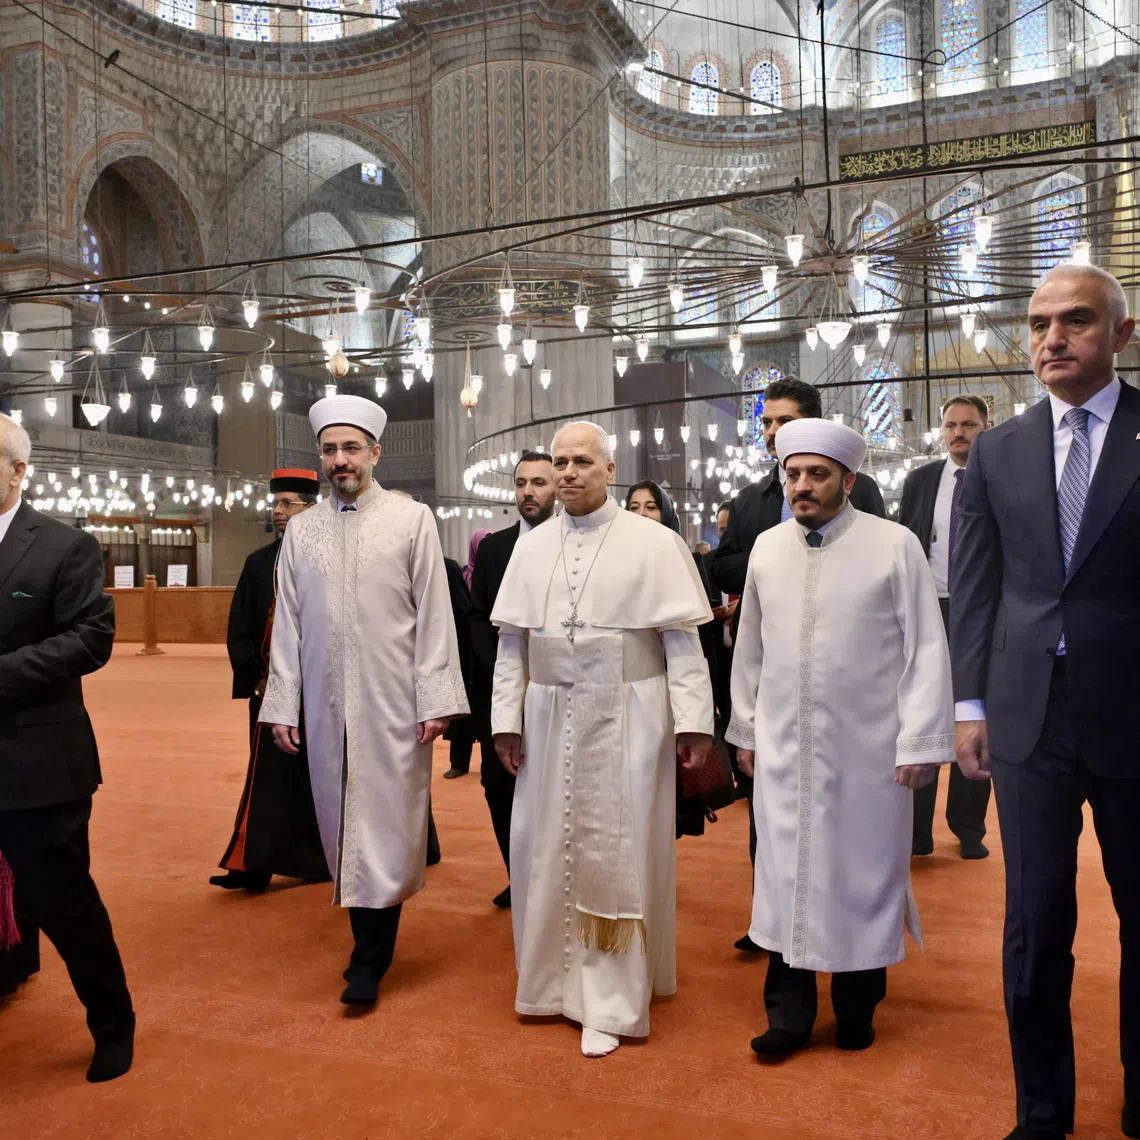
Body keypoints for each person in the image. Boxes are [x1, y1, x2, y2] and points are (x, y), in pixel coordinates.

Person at [951, 264, 1140, 1140]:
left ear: (1122, 334)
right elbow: (974, 588)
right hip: (1028, 714)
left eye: (1076, 320)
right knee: (1034, 920)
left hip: (1135, 710)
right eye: (1037, 324)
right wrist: (970, 706)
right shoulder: (996, 451)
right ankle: (1040, 1112)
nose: (1052, 338)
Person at [727, 417, 953, 1060]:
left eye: (817, 474)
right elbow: (749, 649)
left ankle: (857, 1009)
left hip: (869, 751)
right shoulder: (767, 547)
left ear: (848, 481)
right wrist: (745, 729)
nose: (802, 485)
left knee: (862, 874)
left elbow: (926, 648)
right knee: (784, 875)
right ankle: (788, 1015)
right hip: (784, 746)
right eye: (793, 473)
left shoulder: (894, 545)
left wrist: (920, 741)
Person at [491, 422, 716, 1058]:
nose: (568, 473)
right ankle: (548, 985)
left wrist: (693, 722)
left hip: (629, 716)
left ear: (609, 469)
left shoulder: (655, 542)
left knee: (621, 850)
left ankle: (611, 1001)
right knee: (541, 848)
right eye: (559, 462)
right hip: (548, 718)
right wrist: (506, 721)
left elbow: (683, 644)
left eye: (582, 462)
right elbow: (512, 645)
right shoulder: (531, 547)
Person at [260, 395, 469, 1007]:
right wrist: (283, 703)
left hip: (392, 702)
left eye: (351, 448)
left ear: (375, 453)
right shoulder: (303, 531)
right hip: (325, 706)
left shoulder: (411, 519)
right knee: (341, 819)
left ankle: (370, 955)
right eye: (330, 450)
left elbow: (435, 614)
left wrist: (435, 698)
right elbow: (288, 624)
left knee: (386, 823)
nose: (340, 460)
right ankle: (367, 945)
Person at [709, 378, 887, 952]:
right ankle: (772, 928)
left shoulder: (868, 499)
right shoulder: (753, 501)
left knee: (847, 830)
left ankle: (851, 950)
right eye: (766, 423)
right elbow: (723, 566)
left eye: (782, 421)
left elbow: (871, 559)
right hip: (778, 683)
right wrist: (775, 561)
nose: (772, 433)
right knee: (774, 823)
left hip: (850, 695)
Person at [0, 414, 135, 1082]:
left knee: (62, 901)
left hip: (37, 763)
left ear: (18, 469)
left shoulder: (63, 546)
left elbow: (89, 638)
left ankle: (113, 1023)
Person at [211, 469, 331, 892]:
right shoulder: (259, 562)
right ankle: (253, 864)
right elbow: (240, 625)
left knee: (322, 777)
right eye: (275, 504)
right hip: (271, 690)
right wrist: (256, 675)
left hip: (324, 691)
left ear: (311, 508)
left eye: (287, 503)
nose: (278, 511)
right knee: (265, 778)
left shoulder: (329, 557)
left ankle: (322, 859)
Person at [898, 395, 992, 860]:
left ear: (985, 427)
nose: (959, 433)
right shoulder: (920, 481)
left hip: (982, 611)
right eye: (951, 425)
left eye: (968, 425)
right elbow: (902, 542)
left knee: (975, 714)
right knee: (923, 713)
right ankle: (917, 831)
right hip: (927, 607)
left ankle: (969, 827)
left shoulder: (999, 475)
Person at [468, 451, 557, 910]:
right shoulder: (494, 548)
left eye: (539, 483)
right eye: (521, 483)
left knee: (555, 789)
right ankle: (519, 876)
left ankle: (555, 882)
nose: (528, 492)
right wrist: (501, 675)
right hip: (500, 690)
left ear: (557, 487)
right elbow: (478, 617)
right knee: (500, 786)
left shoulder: (572, 544)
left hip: (559, 690)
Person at [626, 479, 721, 838]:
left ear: (665, 513)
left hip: (670, 687)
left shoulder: (682, 556)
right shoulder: (614, 560)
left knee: (668, 783)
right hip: (630, 690)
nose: (641, 514)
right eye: (634, 507)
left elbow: (698, 638)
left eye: (650, 507)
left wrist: (699, 707)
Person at [443, 530, 490, 779]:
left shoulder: (494, 573)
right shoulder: (462, 573)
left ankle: (489, 763)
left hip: (487, 652)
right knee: (462, 710)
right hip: (465, 652)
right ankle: (459, 762)